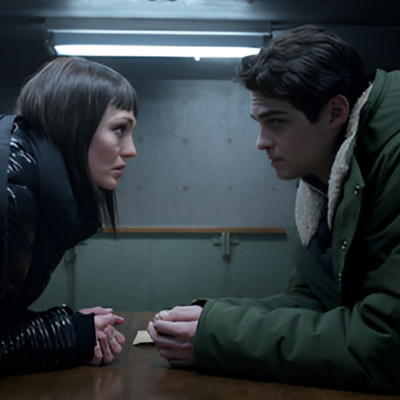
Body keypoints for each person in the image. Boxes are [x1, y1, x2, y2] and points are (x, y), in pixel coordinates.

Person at [148, 25, 400, 392]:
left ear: (335, 113)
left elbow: (387, 344)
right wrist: (210, 319)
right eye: (259, 123)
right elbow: (317, 299)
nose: (261, 142)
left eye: (276, 122)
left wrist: (221, 333)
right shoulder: (325, 175)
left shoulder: (390, 159)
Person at [0, 57, 138, 374]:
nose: (131, 149)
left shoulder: (30, 180)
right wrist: (70, 335)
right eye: (119, 129)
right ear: (73, 126)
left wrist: (69, 326)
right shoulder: (11, 196)